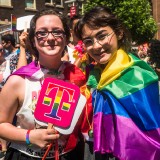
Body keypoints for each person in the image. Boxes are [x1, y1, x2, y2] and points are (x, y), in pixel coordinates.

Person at [0, 9, 91, 160]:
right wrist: (29, 136)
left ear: (66, 37)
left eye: (57, 32)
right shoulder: (18, 81)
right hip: (25, 156)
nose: (50, 38)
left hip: (70, 155)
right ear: (33, 40)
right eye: (42, 33)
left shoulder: (78, 78)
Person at [74, 6, 160, 160]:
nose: (96, 46)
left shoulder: (138, 77)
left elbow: (151, 133)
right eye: (89, 41)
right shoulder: (94, 74)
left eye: (102, 36)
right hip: (95, 150)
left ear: (119, 33)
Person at [0, 44, 11, 159]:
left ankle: (4, 148)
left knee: (4, 122)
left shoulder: (9, 62)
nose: (0, 52)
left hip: (6, 98)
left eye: (1, 50)